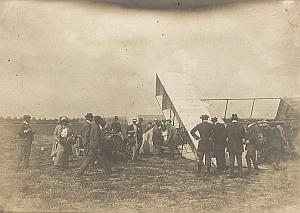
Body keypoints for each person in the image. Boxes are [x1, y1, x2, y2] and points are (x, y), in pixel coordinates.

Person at [225, 114, 246, 178]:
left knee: (231, 160)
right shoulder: (241, 126)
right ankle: (240, 173)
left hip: (231, 146)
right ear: (237, 119)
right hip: (239, 145)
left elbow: (225, 136)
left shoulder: (228, 126)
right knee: (239, 160)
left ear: (231, 119)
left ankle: (231, 174)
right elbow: (244, 136)